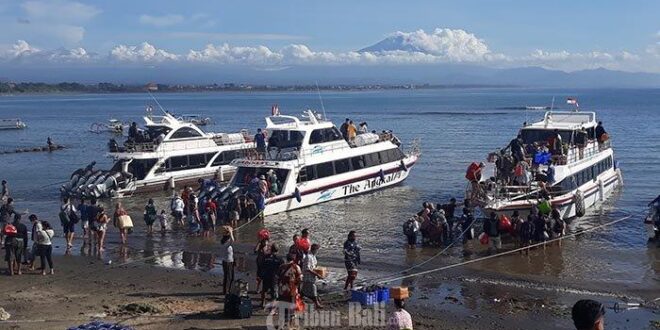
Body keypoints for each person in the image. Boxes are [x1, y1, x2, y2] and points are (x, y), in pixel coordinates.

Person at [278, 253, 303, 326]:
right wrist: (298, 289)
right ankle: (290, 323)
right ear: (294, 259)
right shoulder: (296, 267)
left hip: (282, 290)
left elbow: (278, 277)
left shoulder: (281, 267)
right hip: (292, 290)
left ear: (286, 258)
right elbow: (300, 279)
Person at [261, 244, 283, 308]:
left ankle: (262, 303)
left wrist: (261, 274)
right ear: (278, 250)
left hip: (266, 275)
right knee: (274, 292)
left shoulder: (266, 257)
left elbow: (262, 265)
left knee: (264, 290)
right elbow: (281, 268)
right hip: (274, 277)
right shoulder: (279, 258)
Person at [302, 243, 323, 308]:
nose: (317, 251)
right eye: (317, 250)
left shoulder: (313, 256)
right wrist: (317, 274)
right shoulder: (308, 257)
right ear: (315, 250)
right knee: (313, 290)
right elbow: (307, 269)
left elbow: (314, 266)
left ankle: (298, 300)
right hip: (308, 277)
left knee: (304, 291)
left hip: (312, 277)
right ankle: (317, 304)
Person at [219, 228, 235, 295]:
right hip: (228, 262)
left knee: (229, 276)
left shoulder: (224, 242)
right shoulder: (226, 243)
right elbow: (233, 240)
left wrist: (229, 231)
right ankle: (226, 291)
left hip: (228, 261)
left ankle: (227, 290)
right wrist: (231, 232)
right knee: (229, 277)